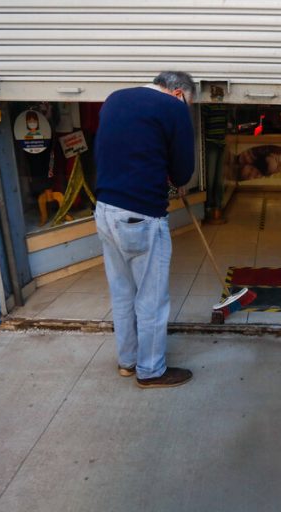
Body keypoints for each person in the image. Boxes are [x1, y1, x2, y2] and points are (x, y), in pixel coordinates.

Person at [94, 71, 196, 389]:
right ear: (178, 93)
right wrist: (176, 179)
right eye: (188, 103)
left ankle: (127, 361)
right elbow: (182, 171)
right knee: (151, 299)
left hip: (105, 210)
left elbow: (123, 150)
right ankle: (151, 370)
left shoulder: (115, 98)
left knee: (122, 292)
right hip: (142, 216)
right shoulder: (173, 107)